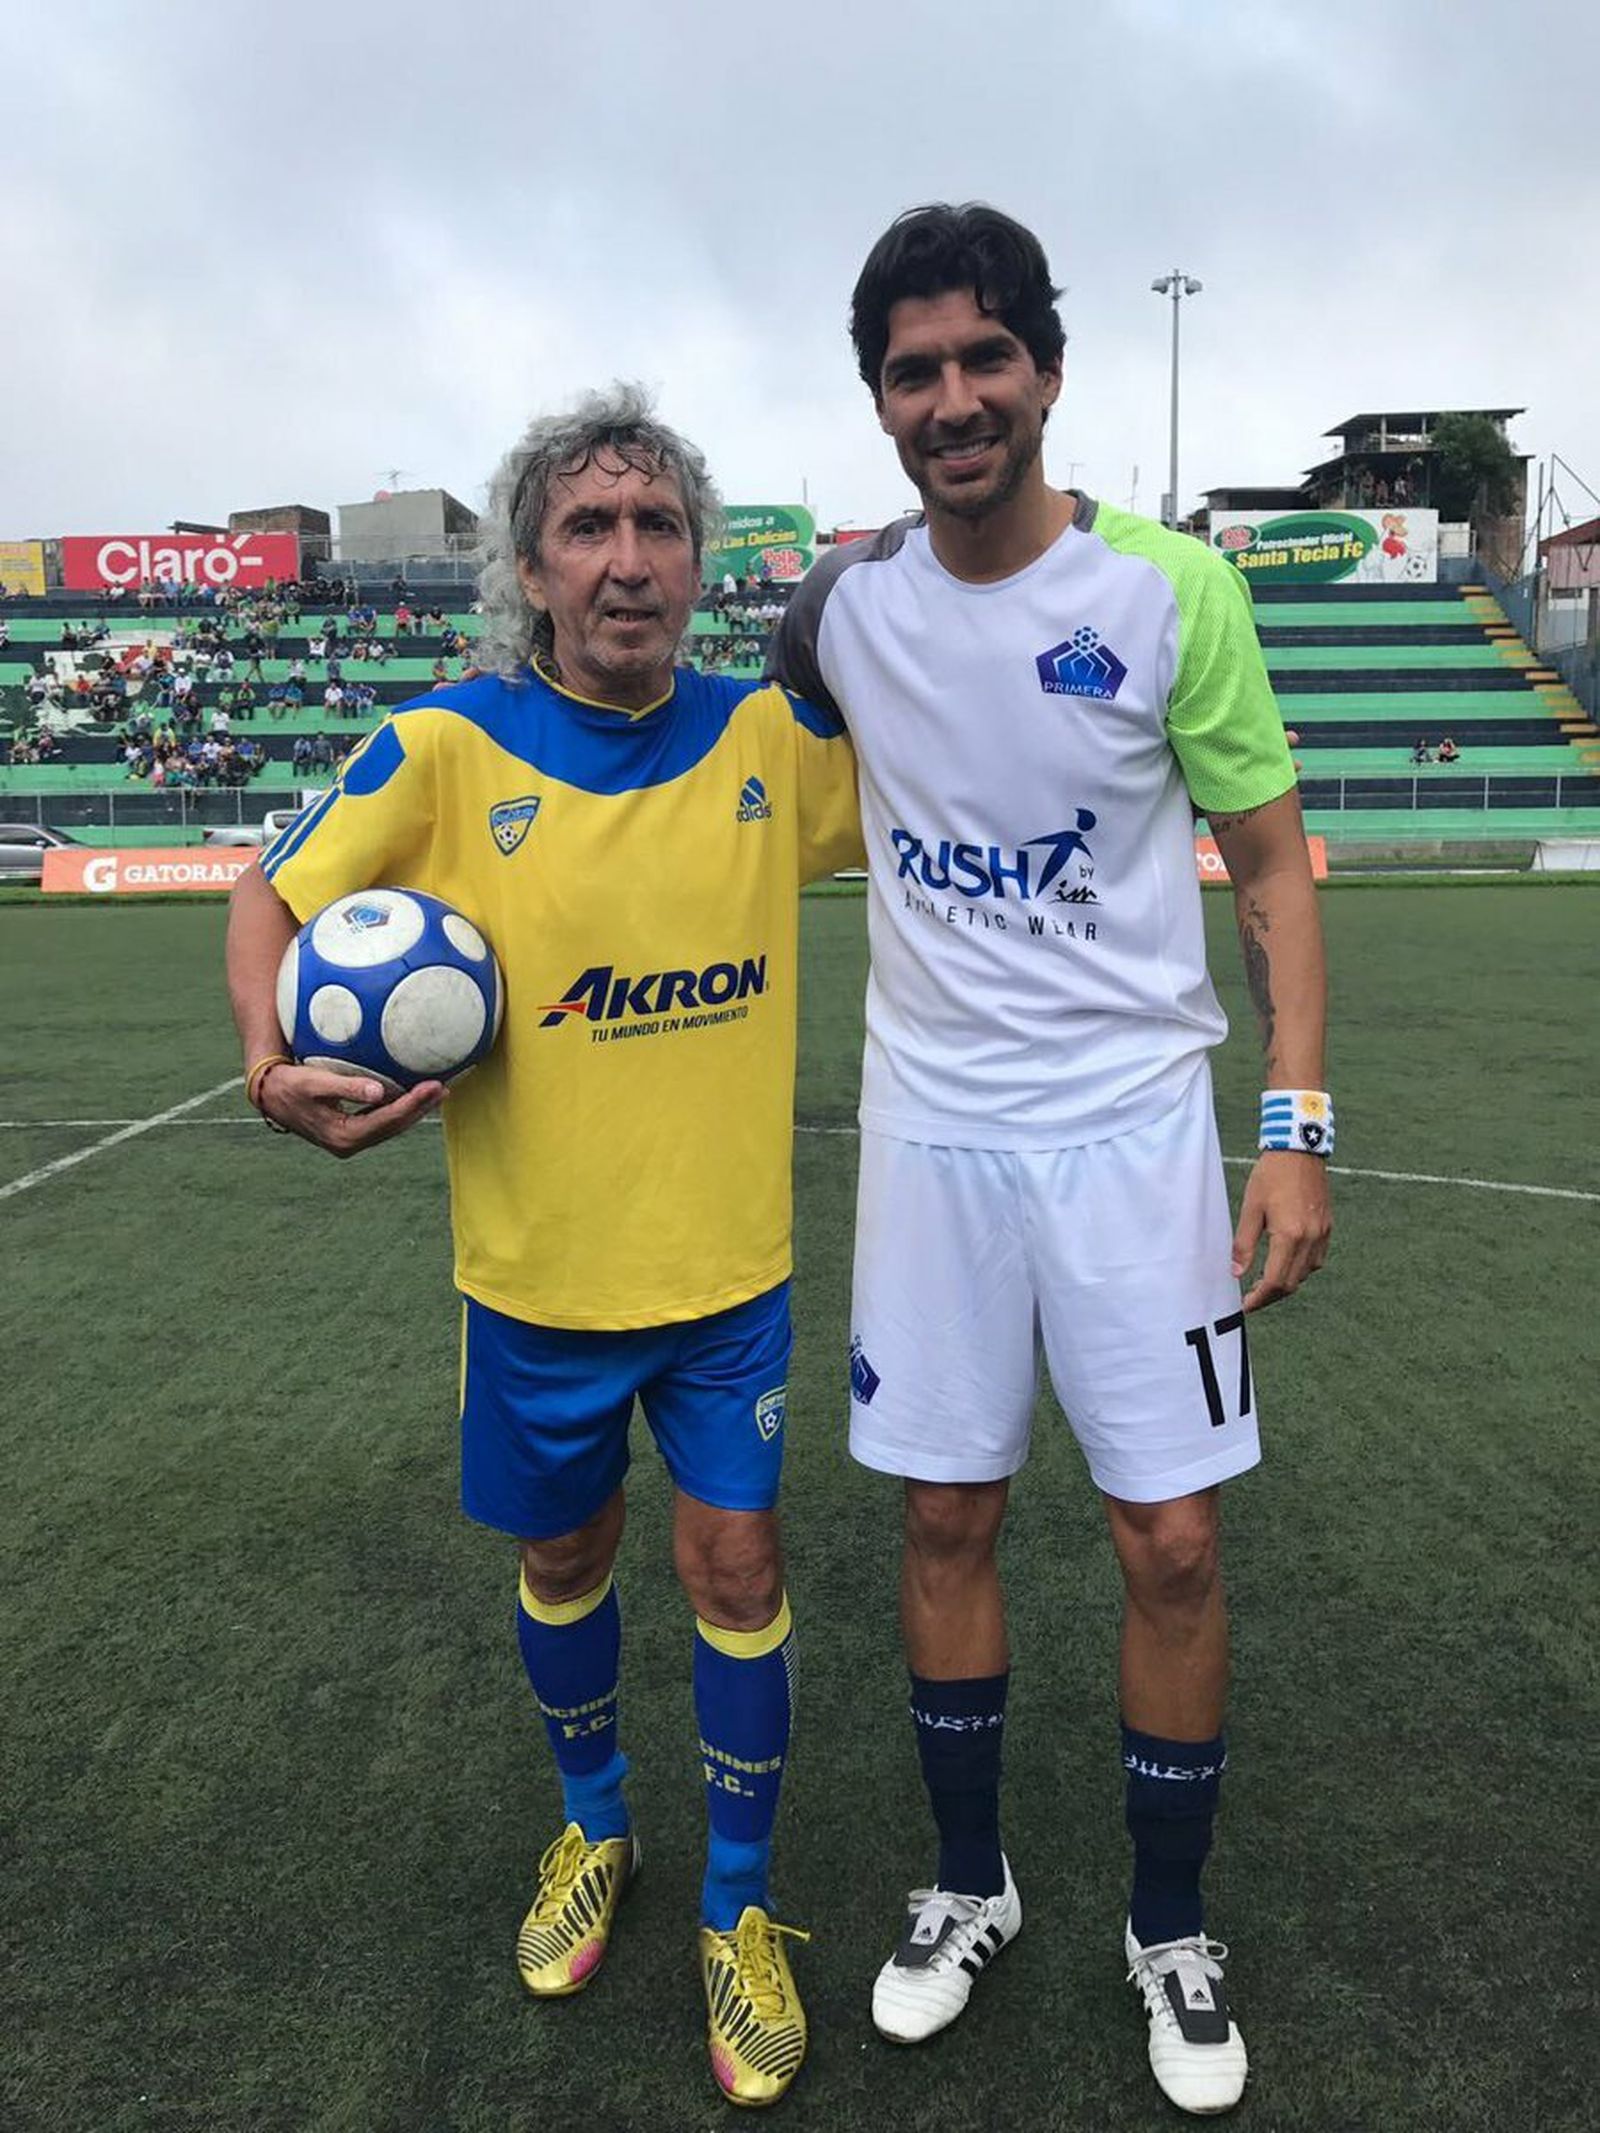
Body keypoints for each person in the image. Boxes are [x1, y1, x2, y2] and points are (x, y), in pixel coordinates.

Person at [225, 385, 861, 2109]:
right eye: (591, 527)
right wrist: (268, 1060)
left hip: (727, 1282)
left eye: (658, 526)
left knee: (736, 1572)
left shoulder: (773, 741)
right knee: (567, 1565)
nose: (630, 560)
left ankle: (738, 1909)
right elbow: (271, 894)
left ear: (697, 561)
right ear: (530, 568)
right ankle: (596, 1831)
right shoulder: (441, 748)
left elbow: (955, 788)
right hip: (535, 1290)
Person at [766, 202, 1332, 2118]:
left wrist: (1297, 1124)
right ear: (881, 405)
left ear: (1048, 373)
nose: (955, 399)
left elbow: (1271, 865)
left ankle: (1169, 1923)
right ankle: (965, 1881)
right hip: (933, 1142)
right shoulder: (841, 614)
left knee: (1170, 1537)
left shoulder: (1171, 595)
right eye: (915, 372)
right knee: (944, 1523)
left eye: (984, 357)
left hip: (1134, 1150)